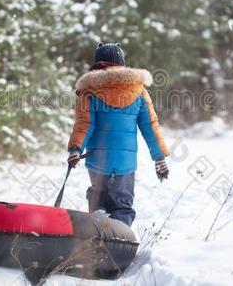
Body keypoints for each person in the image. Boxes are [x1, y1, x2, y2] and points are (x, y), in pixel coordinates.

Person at [67, 42, 169, 226]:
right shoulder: (139, 91)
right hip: (125, 162)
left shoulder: (89, 91)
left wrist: (75, 149)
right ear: (122, 63)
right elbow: (150, 126)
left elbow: (84, 125)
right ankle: (120, 241)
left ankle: (97, 238)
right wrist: (159, 157)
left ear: (97, 63)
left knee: (98, 200)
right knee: (122, 205)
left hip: (98, 159)